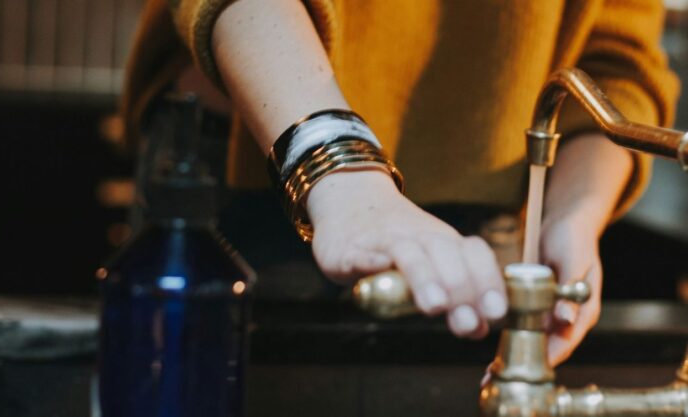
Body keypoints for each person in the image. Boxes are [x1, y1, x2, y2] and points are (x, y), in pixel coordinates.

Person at [122, 0, 679, 366]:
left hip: (490, 220)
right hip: (252, 154)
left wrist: (572, 216)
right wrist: (336, 165)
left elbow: (614, 59)